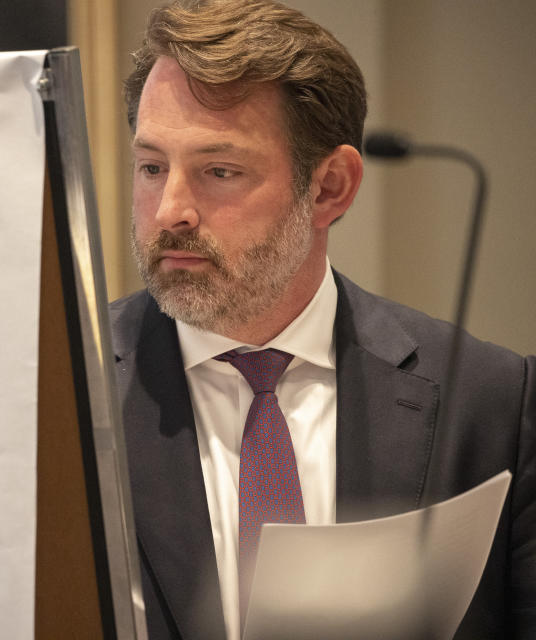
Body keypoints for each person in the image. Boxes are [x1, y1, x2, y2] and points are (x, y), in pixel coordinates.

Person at [110, 1, 536, 638]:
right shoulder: (57, 388)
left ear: (330, 186)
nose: (171, 210)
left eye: (218, 171)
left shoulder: (490, 399)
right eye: (151, 167)